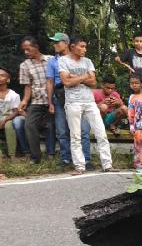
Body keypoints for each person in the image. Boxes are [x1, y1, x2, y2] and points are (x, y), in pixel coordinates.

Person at [58, 36, 113, 174]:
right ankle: (80, 166)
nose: (84, 49)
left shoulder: (88, 61)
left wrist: (74, 77)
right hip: (73, 102)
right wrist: (84, 77)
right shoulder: (63, 61)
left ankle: (107, 165)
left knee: (101, 133)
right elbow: (66, 82)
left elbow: (93, 82)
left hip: (89, 101)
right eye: (81, 46)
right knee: (75, 136)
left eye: (85, 47)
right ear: (72, 47)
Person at [46, 32, 91, 169]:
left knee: (83, 129)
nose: (55, 45)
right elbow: (50, 82)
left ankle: (86, 159)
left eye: (57, 42)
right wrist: (50, 103)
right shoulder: (52, 61)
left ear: (66, 44)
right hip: (60, 97)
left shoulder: (80, 59)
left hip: (78, 95)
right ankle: (66, 158)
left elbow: (90, 78)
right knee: (61, 130)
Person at [18, 36, 55, 164]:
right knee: (29, 124)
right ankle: (35, 157)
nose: (26, 52)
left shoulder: (51, 59)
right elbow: (27, 87)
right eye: (24, 50)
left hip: (54, 99)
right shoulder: (24, 65)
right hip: (37, 101)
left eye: (28, 49)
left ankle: (56, 155)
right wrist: (24, 101)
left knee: (53, 125)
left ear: (36, 47)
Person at [0, 67, 20, 162]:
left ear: (8, 79)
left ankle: (12, 155)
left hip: (8, 118)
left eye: (2, 75)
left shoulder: (13, 95)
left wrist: (5, 120)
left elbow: (16, 111)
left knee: (8, 126)